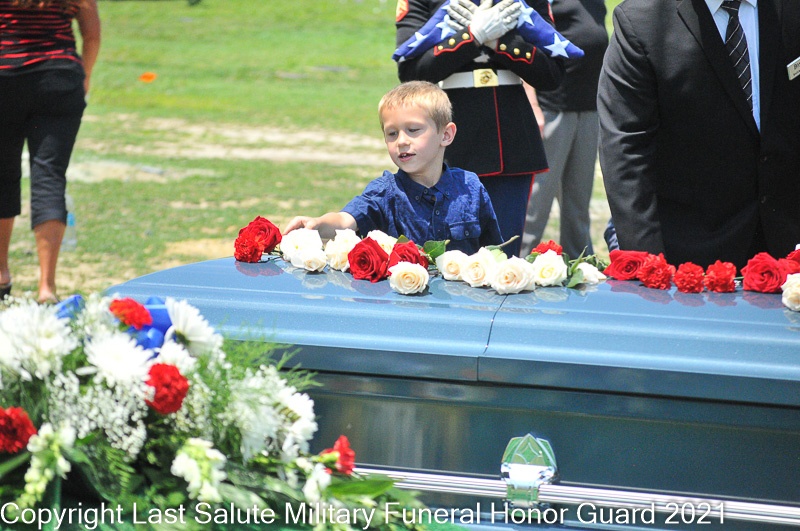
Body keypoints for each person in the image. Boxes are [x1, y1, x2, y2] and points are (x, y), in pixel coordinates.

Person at [598, 0, 800, 269]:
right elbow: (625, 150)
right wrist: (649, 269)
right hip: (692, 263)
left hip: (790, 251)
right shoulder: (642, 21)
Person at [394, 0, 566, 257]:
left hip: (511, 141)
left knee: (504, 258)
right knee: (448, 256)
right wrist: (471, 37)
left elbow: (552, 71)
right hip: (450, 140)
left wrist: (500, 42)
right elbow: (411, 68)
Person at [283, 81, 503, 255]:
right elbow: (345, 220)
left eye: (413, 130)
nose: (402, 141)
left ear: (446, 135)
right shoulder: (384, 192)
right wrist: (317, 224)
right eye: (392, 133)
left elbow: (493, 252)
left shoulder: (470, 186)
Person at [0, 0, 101, 302]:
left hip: (4, 75)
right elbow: (92, 35)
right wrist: (85, 76)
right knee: (50, 176)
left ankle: (1, 273)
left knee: (2, 174)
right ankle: (47, 287)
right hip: (59, 77)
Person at [520, 0, 608, 258]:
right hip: (552, 108)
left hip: (589, 108)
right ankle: (517, 264)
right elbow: (527, 46)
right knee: (536, 202)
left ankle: (580, 264)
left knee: (578, 203)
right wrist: (532, 104)